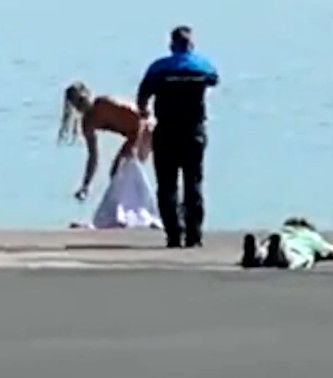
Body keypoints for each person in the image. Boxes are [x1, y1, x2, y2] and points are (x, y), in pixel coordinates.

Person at [136, 26, 219, 248]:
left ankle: (174, 234)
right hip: (193, 131)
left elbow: (143, 94)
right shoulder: (201, 66)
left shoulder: (160, 67)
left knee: (167, 185)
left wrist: (145, 112)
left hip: (167, 131)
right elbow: (214, 79)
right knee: (193, 183)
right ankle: (194, 235)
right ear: (191, 45)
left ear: (172, 45)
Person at [59, 81, 154, 202]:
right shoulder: (88, 123)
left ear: (88, 94)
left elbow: (140, 118)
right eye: (77, 105)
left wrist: (133, 148)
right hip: (135, 135)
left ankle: (140, 207)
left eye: (82, 100)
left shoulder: (105, 104)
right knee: (118, 174)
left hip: (147, 130)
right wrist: (85, 186)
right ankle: (129, 209)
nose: (81, 106)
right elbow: (93, 156)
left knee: (120, 172)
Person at [241, 217, 333, 270]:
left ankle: (256, 254)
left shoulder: (281, 232)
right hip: (297, 252)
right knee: (294, 259)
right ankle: (280, 255)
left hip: (273, 244)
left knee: (263, 252)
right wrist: (322, 256)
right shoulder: (311, 236)